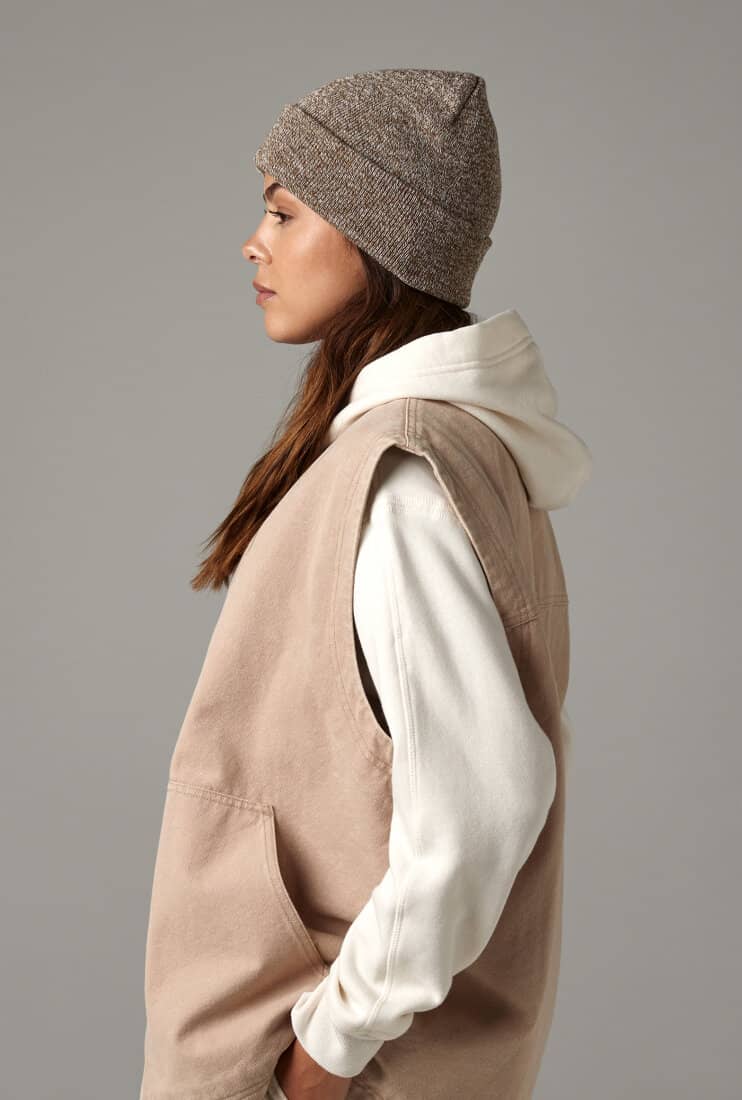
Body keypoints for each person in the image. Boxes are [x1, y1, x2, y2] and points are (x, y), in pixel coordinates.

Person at [138, 68, 593, 1100]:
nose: (253, 243)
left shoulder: (405, 479)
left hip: (322, 1053)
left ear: (379, 239)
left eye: (283, 211)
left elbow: (485, 804)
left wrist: (323, 1054)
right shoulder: (439, 453)